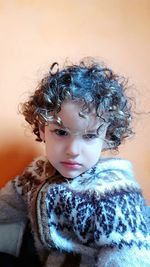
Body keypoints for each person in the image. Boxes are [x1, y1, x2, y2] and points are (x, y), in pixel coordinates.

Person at [0, 58, 150, 267]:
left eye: (89, 136)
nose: (72, 150)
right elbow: (8, 204)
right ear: (43, 129)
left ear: (107, 137)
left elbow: (128, 254)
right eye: (61, 132)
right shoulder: (38, 172)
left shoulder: (115, 192)